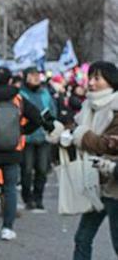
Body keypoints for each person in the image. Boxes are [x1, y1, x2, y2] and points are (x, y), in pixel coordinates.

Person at [0, 67, 53, 241]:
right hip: (13, 150)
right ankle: (8, 228)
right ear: (9, 80)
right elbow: (37, 118)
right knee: (10, 189)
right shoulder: (18, 98)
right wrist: (22, 130)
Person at [46, 61, 118, 259]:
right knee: (82, 238)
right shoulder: (87, 106)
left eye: (97, 78)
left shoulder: (116, 108)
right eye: (90, 78)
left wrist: (81, 136)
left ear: (110, 81)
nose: (91, 83)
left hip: (114, 185)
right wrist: (60, 133)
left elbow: (109, 144)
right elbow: (74, 131)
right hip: (93, 182)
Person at [19, 66, 58, 212]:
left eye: (37, 75)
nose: (36, 78)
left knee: (42, 169)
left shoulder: (45, 93)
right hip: (27, 137)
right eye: (32, 75)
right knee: (27, 169)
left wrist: (51, 123)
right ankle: (27, 197)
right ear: (26, 77)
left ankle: (38, 197)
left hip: (43, 136)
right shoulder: (21, 94)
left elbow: (53, 111)